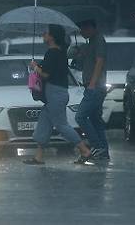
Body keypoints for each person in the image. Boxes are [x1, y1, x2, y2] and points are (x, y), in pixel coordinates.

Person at [23, 24, 92, 165]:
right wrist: (38, 66)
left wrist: (35, 67)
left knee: (61, 125)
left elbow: (47, 74)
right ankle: (38, 157)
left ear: (52, 36)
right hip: (55, 93)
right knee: (44, 122)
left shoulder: (53, 53)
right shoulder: (59, 52)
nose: (43, 35)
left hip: (55, 93)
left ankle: (84, 150)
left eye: (46, 33)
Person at [72, 19, 110, 162]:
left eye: (83, 29)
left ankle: (97, 146)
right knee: (95, 120)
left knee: (80, 116)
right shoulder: (90, 43)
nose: (81, 32)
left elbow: (99, 61)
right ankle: (103, 151)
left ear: (90, 28)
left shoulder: (99, 40)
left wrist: (93, 83)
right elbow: (86, 62)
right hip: (92, 85)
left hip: (95, 87)